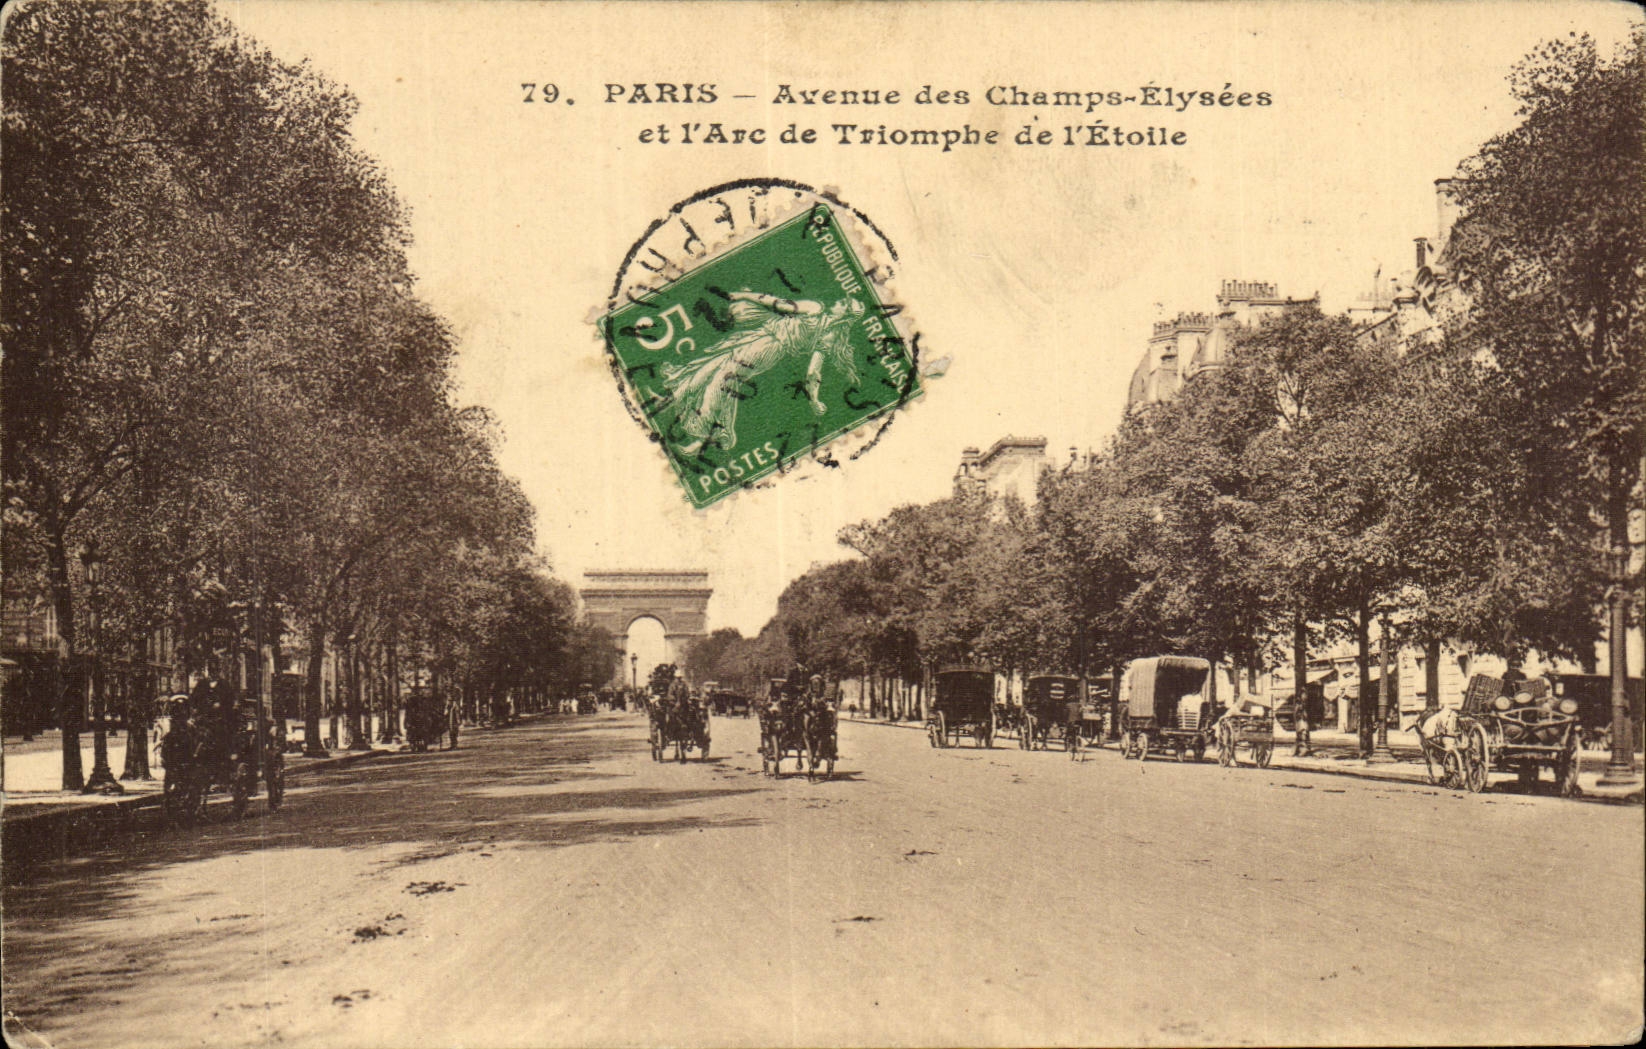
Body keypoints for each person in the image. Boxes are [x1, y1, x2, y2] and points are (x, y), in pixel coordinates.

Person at [659, 291, 865, 455]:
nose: (838, 302)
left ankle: (703, 431)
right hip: (761, 336)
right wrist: (814, 400)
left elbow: (775, 304)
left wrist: (743, 295)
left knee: (724, 378)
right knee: (714, 363)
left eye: (843, 303)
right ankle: (677, 394)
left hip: (769, 346)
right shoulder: (823, 322)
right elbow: (812, 372)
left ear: (845, 314)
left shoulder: (819, 316)